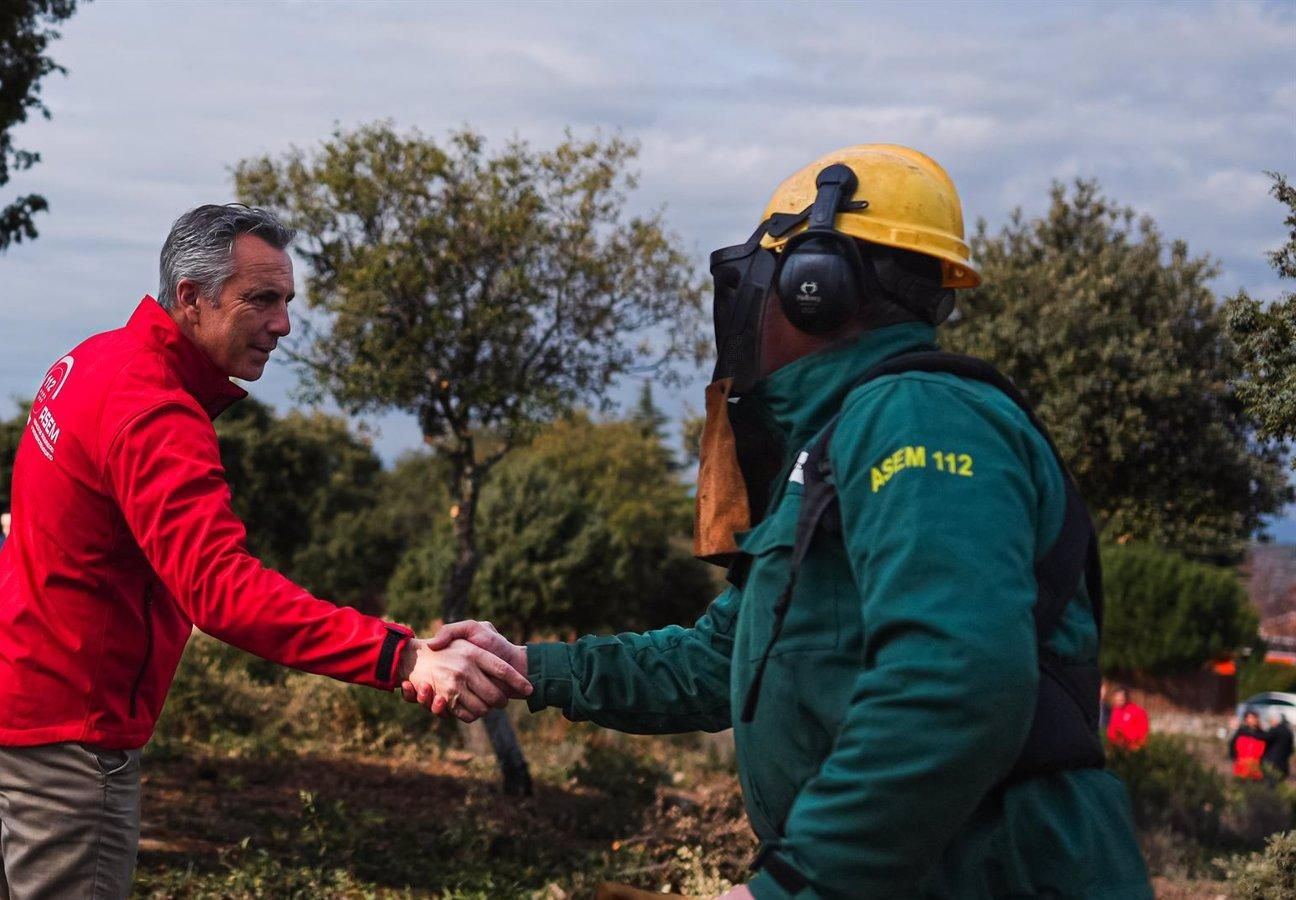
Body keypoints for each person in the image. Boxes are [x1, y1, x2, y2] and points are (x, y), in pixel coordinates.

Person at [418, 146, 1151, 898]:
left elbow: (956, 675)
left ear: (815, 286)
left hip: (993, 875)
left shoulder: (918, 417)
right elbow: (717, 661)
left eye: (760, 280)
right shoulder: (837, 446)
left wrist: (797, 884)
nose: (749, 306)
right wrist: (531, 669)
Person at [0, 203, 526, 900]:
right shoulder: (156, 411)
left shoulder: (93, 358)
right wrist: (400, 655)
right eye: (262, 299)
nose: (282, 324)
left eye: (286, 302)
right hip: (66, 733)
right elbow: (221, 591)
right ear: (191, 298)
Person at [1105, 687, 1150, 751]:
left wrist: (1126, 737)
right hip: (1117, 748)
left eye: (1120, 698)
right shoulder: (1115, 711)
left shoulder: (1137, 711)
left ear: (1126, 698)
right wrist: (1113, 739)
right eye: (1116, 699)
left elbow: (1143, 731)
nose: (1118, 700)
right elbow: (1111, 728)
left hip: (1132, 747)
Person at [1231, 711, 1268, 780]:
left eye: (1253, 718)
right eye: (1249, 718)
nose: (1252, 720)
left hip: (1256, 766)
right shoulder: (1241, 732)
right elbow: (1232, 746)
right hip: (1241, 765)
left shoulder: (1262, 734)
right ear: (1246, 719)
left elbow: (1266, 750)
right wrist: (1235, 759)